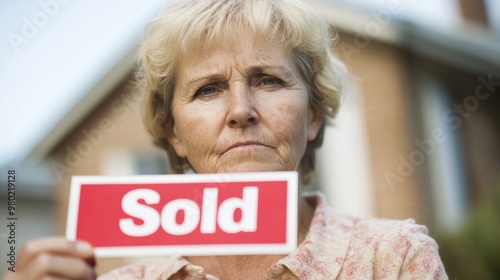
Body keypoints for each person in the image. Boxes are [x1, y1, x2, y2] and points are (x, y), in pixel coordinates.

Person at [4, 0, 448, 279]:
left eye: (269, 80)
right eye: (208, 89)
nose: (241, 111)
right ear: (174, 134)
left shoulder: (394, 259)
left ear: (312, 117)